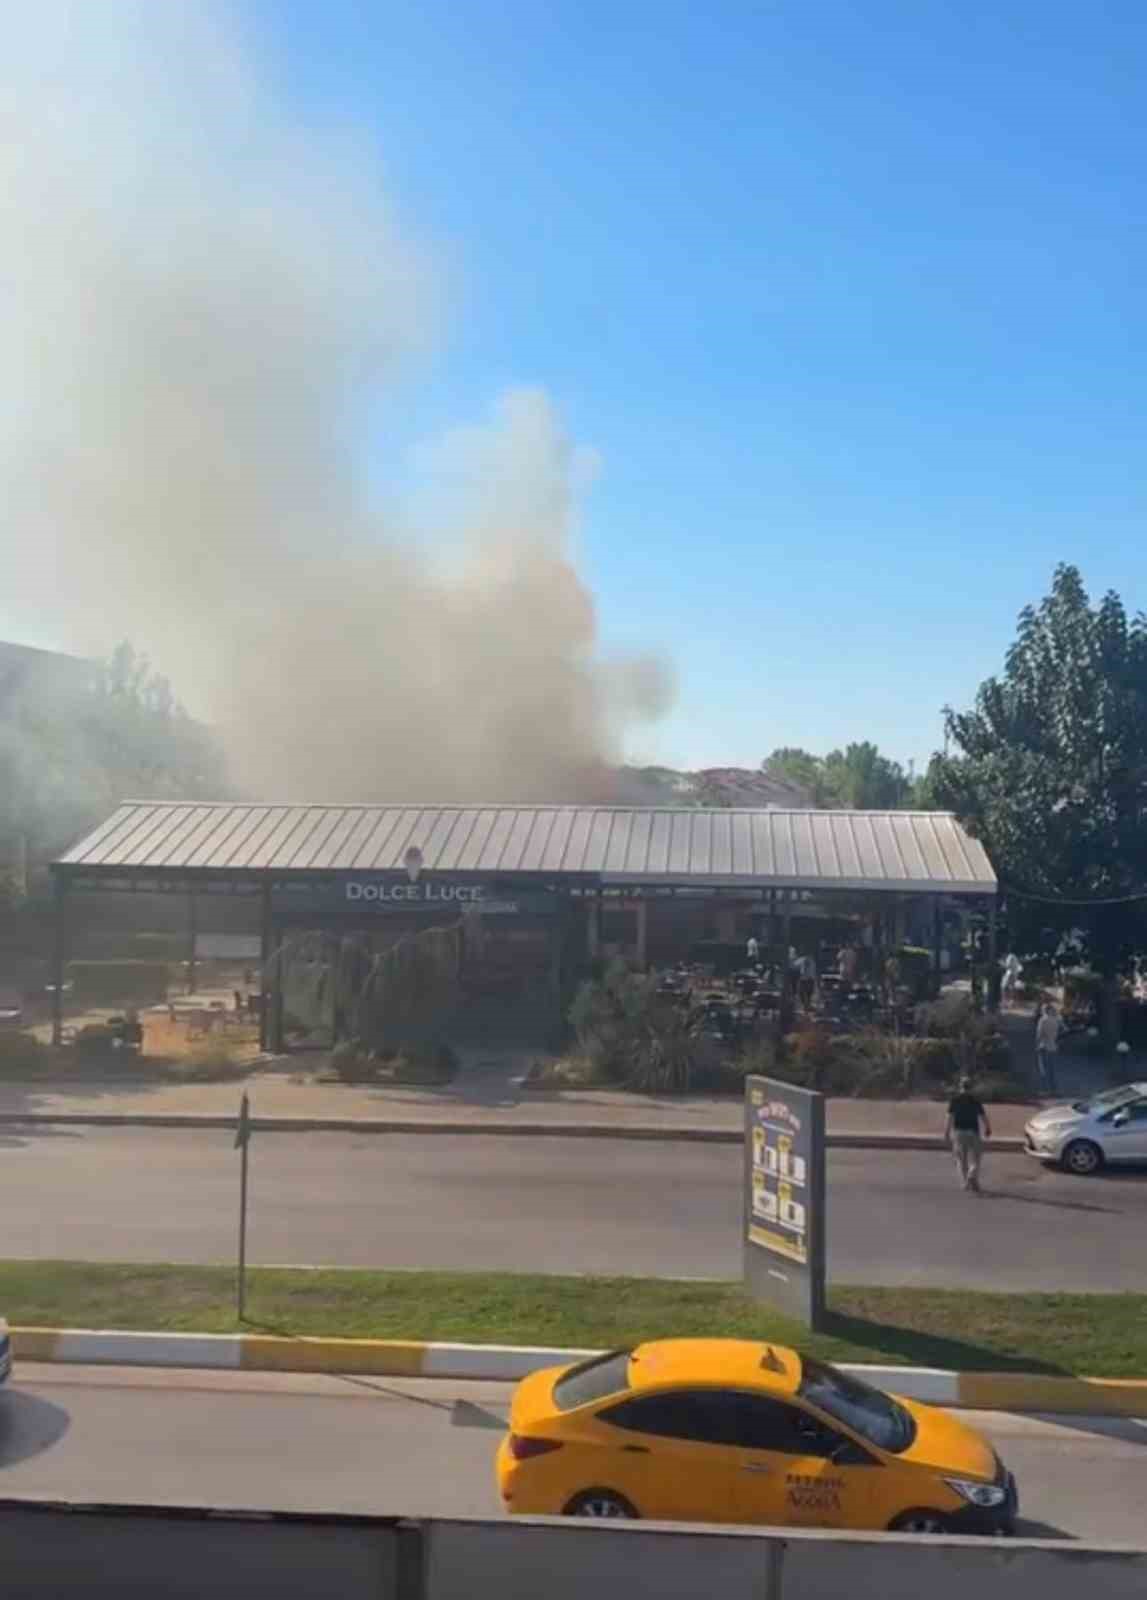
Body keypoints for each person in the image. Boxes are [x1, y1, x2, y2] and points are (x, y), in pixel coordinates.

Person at [946, 1076, 992, 1192]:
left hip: (959, 1132)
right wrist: (987, 1128)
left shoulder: (954, 1100)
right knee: (976, 1157)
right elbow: (983, 1116)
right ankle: (972, 1174)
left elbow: (950, 1117)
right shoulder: (975, 1100)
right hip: (973, 1132)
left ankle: (966, 1182)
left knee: (961, 1159)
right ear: (971, 1087)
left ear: (960, 1086)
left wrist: (946, 1132)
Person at [1035, 1003, 1061, 1096]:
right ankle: (1054, 1090)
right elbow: (1057, 1034)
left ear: (1044, 1010)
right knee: (1052, 1070)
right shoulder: (1055, 1020)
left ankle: (1044, 1090)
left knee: (1044, 1070)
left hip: (1044, 1046)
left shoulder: (1043, 1020)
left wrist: (1037, 1044)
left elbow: (1039, 1034)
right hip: (1053, 1046)